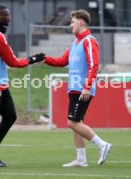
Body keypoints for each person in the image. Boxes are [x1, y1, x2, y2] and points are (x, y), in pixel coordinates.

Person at [0, 5, 45, 168]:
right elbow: (13, 62)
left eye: (9, 14)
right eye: (6, 15)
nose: (9, 17)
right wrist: (33, 59)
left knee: (10, 116)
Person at [44, 9, 112, 167]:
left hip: (82, 89)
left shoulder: (89, 41)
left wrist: (87, 87)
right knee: (77, 123)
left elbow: (94, 65)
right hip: (74, 88)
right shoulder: (74, 43)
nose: (70, 25)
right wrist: (44, 59)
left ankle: (102, 145)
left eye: (72, 22)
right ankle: (81, 159)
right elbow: (61, 61)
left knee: (72, 123)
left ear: (81, 22)